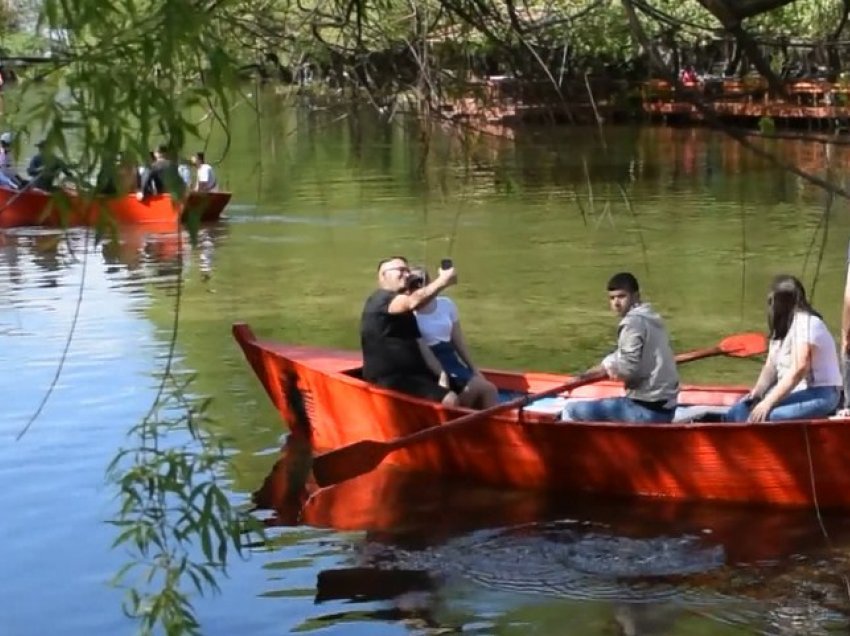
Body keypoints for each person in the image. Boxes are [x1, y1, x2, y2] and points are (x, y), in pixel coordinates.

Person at [561, 272, 679, 423]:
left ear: (636, 296)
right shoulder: (652, 317)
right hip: (667, 408)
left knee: (570, 410)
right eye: (612, 298)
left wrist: (610, 370)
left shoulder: (632, 323)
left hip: (646, 410)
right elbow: (624, 355)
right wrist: (591, 372)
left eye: (621, 296)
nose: (616, 303)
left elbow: (627, 369)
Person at [726, 275, 841, 422]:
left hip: (821, 393)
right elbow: (770, 366)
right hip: (794, 391)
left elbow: (800, 368)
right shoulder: (783, 327)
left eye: (772, 302)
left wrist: (768, 403)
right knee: (737, 412)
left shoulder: (806, 323)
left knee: (766, 416)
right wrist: (758, 393)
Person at [361, 256, 459, 406]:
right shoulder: (380, 299)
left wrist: (441, 373)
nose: (406, 274)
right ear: (383, 275)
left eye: (407, 271)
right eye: (400, 270)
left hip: (415, 376)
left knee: (467, 390)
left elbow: (421, 345)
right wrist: (442, 281)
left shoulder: (403, 310)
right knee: (450, 399)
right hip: (391, 380)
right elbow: (413, 301)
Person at [407, 266, 499, 409]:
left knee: (488, 389)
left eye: (422, 280)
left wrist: (474, 369)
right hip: (428, 363)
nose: (419, 285)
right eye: (413, 282)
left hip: (451, 361)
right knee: (462, 398)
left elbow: (458, 340)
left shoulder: (446, 304)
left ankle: (488, 424)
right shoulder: (408, 311)